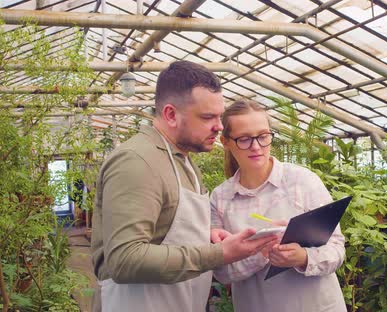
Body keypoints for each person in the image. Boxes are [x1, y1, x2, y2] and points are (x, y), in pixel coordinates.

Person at [90, 61, 277, 312]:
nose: (219, 126)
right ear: (170, 114)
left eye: (219, 116)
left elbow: (168, 231)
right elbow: (125, 260)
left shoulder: (182, 159)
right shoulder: (138, 161)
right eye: (207, 117)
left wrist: (206, 236)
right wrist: (219, 254)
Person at [210, 99, 347, 311]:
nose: (256, 146)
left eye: (263, 136)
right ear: (225, 142)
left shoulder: (302, 181)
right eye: (244, 139)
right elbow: (221, 272)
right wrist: (259, 253)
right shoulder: (220, 199)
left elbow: (337, 250)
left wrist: (302, 257)